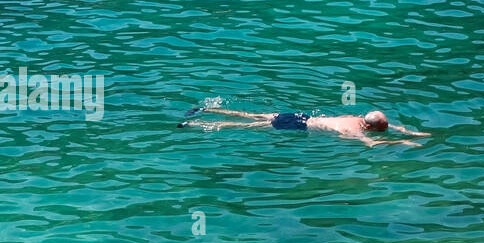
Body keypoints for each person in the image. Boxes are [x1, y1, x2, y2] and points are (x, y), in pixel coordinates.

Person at [180, 102, 429, 147]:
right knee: (242, 126)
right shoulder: (353, 131)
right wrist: (403, 142)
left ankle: (205, 108)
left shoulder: (356, 120)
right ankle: (199, 123)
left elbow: (383, 126)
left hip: (300, 116)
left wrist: (410, 131)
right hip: (299, 127)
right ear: (372, 128)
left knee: (250, 115)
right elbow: (372, 146)